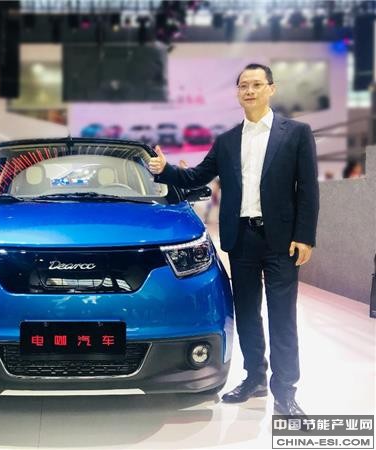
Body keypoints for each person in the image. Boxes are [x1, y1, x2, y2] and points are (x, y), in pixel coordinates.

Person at [149, 63, 319, 416]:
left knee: (282, 317)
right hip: (241, 239)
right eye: (244, 85)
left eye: (256, 84)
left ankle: (285, 391)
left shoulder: (296, 133)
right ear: (238, 93)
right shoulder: (227, 140)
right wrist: (166, 170)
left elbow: (307, 189)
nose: (250, 91)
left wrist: (305, 236)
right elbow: (197, 175)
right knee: (246, 315)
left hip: (281, 240)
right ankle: (254, 378)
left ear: (271, 88)